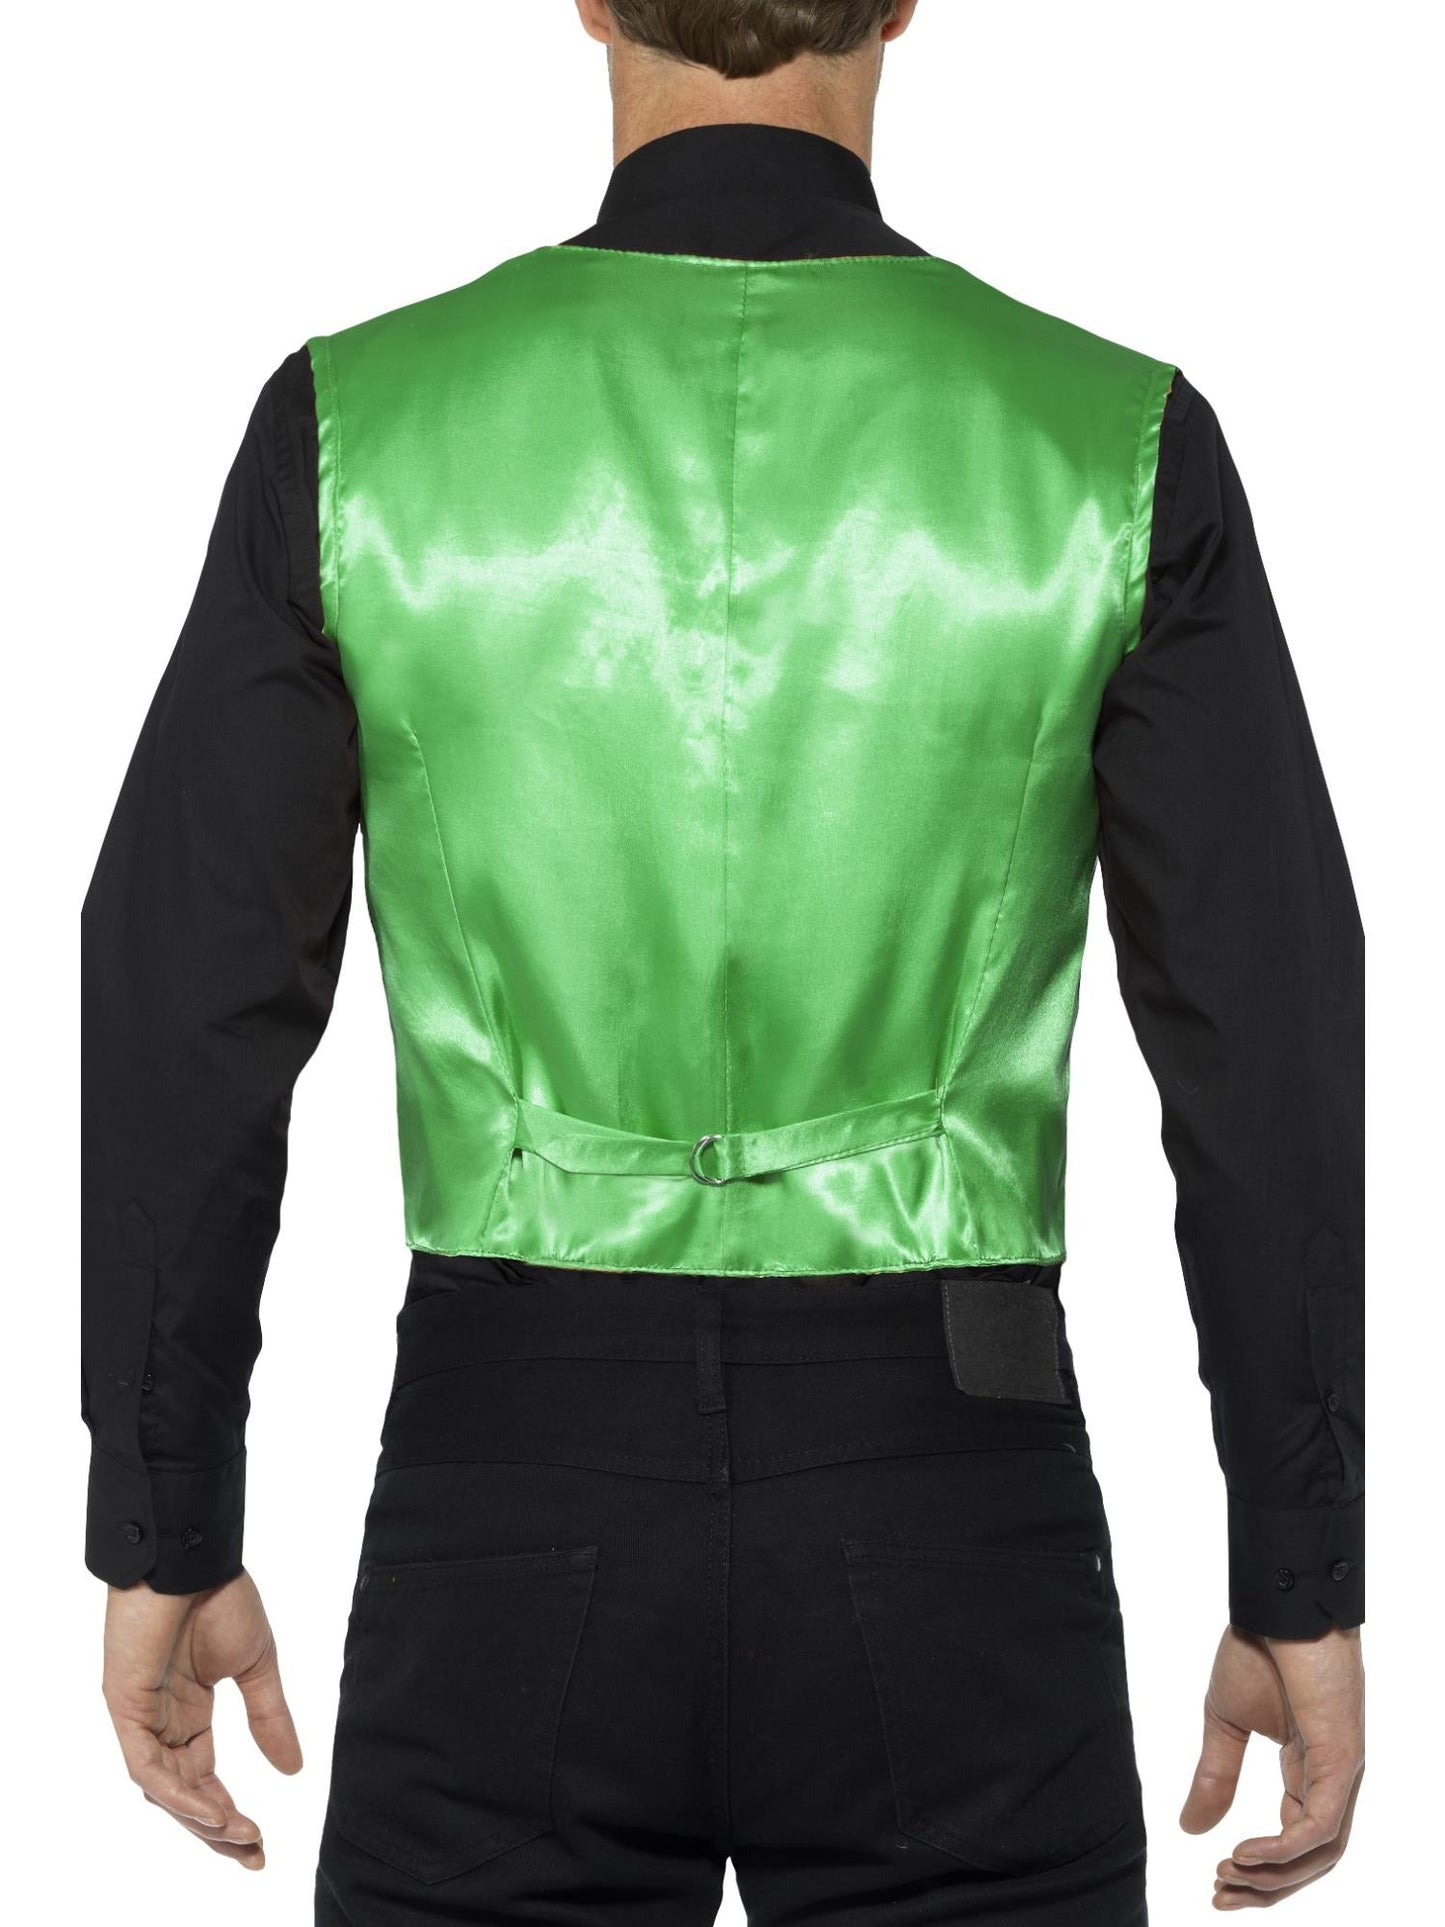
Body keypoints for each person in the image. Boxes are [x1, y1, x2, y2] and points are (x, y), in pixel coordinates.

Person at [80, 3, 1365, 1921]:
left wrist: (166, 1519)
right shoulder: (1107, 442)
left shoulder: (356, 429)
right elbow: (1264, 1033)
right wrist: (1298, 1572)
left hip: (510, 1464)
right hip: (954, 1487)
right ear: (902, 0)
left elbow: (183, 998)